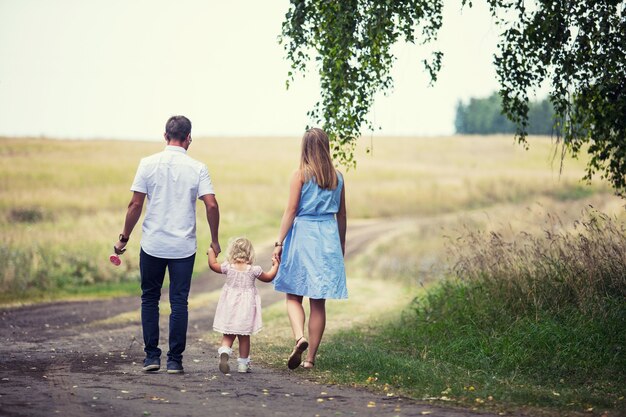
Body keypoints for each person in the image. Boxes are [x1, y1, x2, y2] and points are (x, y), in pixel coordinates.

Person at [114, 115, 221, 374]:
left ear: (165, 136)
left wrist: (124, 238)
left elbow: (135, 205)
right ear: (188, 139)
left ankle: (151, 357)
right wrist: (215, 240)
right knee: (179, 302)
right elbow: (212, 204)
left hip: (152, 244)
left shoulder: (147, 164)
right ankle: (175, 360)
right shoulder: (198, 168)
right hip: (183, 248)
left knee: (149, 299)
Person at [272, 127, 347, 370]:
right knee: (318, 301)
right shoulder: (338, 177)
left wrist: (279, 242)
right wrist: (341, 245)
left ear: (305, 148)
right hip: (327, 238)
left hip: (303, 236)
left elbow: (291, 211)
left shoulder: (300, 175)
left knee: (293, 294)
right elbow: (342, 216)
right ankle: (311, 359)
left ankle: (299, 337)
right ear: (326, 147)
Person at [208, 237, 279, 374]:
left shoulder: (228, 267)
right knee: (244, 337)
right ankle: (243, 365)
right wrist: (275, 265)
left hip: (229, 306)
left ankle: (224, 352)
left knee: (228, 334)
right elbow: (269, 277)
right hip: (246, 309)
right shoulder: (254, 270)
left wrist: (211, 251)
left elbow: (213, 264)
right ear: (250, 253)